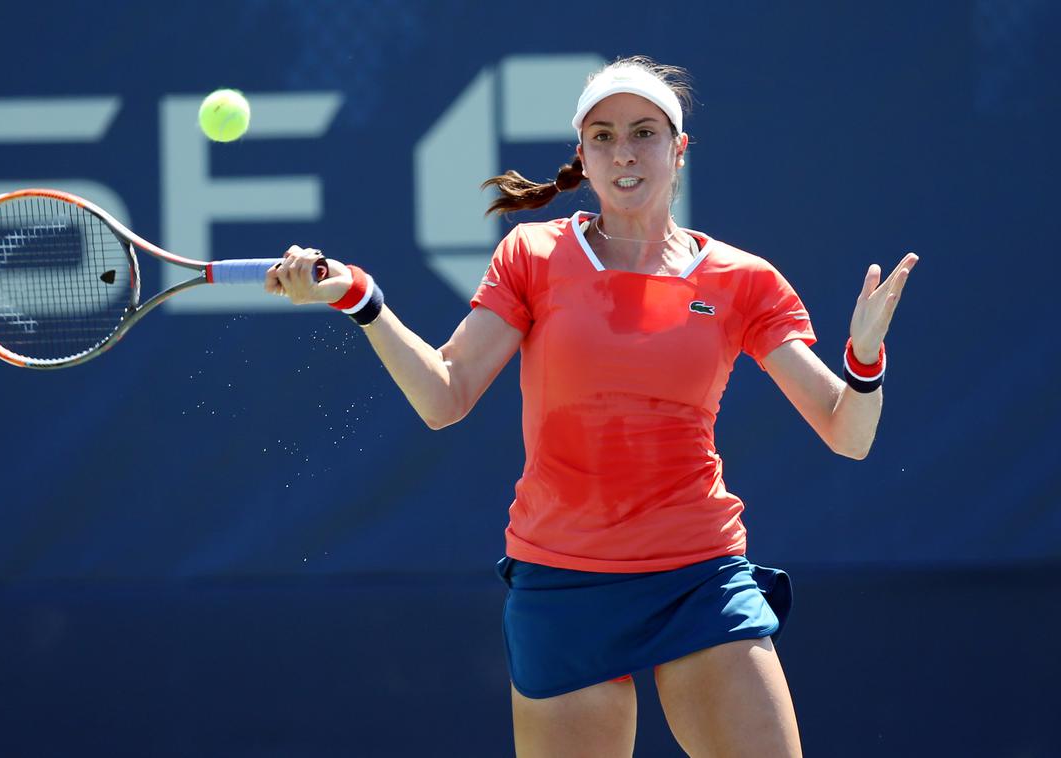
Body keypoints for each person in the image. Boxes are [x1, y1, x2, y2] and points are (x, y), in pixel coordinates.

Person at [265, 55, 918, 758]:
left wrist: (864, 360)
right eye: (603, 137)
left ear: (679, 150)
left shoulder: (742, 281)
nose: (624, 152)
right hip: (564, 582)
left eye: (643, 132)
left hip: (697, 574)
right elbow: (443, 395)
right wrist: (361, 301)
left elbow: (847, 433)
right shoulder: (533, 255)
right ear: (583, 155)